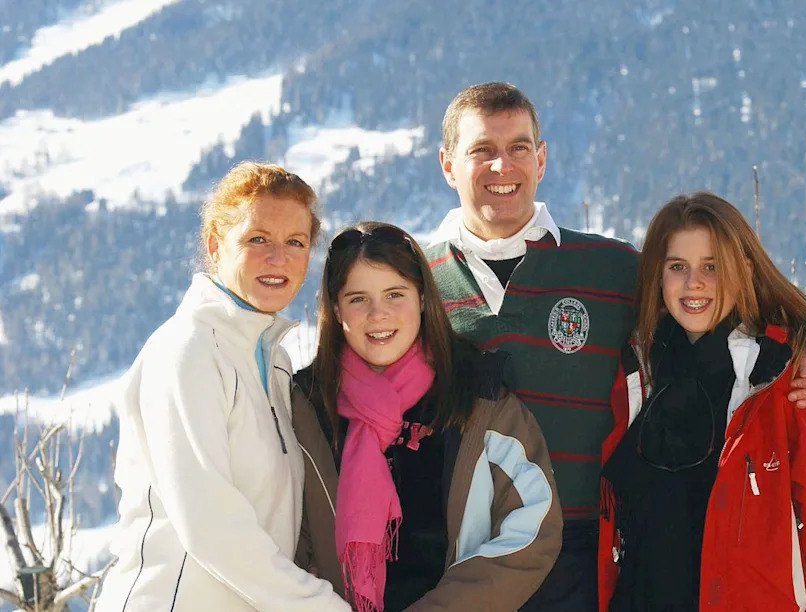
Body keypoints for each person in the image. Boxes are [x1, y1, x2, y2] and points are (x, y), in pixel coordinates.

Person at [426, 81, 806, 610]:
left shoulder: (612, 268)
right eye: (481, 150)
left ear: (542, 159)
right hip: (459, 552)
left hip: (581, 553)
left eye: (518, 148)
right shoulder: (412, 279)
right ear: (447, 164)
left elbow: (721, 304)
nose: (502, 166)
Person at [601, 192, 806, 611]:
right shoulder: (634, 373)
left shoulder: (786, 381)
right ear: (657, 276)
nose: (694, 282)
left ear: (744, 271)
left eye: (712, 267)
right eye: (678, 266)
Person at [97, 163, 349, 611]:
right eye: (258, 239)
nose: (279, 258)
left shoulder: (275, 360)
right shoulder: (189, 349)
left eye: (296, 242)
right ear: (216, 245)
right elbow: (210, 524)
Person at [293, 221, 562, 612]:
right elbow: (282, 532)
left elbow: (533, 527)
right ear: (335, 309)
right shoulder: (306, 406)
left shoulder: (477, 394)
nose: (378, 314)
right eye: (357, 299)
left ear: (421, 297)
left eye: (394, 294)